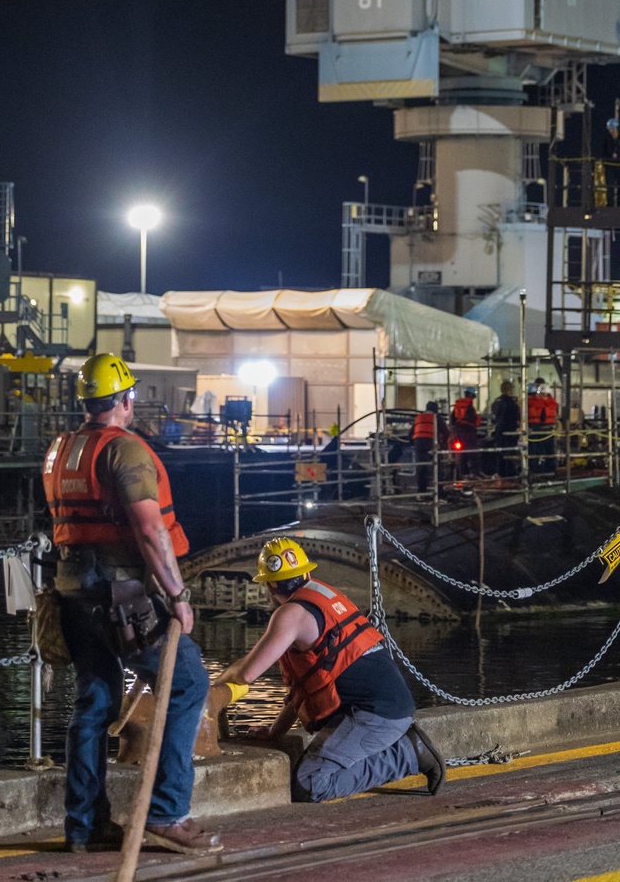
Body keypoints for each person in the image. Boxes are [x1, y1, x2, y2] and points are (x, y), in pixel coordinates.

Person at [42, 353, 222, 856]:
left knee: (94, 703)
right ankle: (167, 814)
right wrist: (178, 596)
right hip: (125, 597)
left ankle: (84, 825)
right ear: (126, 400)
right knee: (187, 685)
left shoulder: (62, 449)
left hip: (74, 593)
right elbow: (149, 529)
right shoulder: (125, 451)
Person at [214, 538, 444, 802]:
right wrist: (275, 733)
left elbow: (247, 673)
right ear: (307, 573)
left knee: (309, 784)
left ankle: (407, 755)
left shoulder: (290, 614)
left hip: (375, 715)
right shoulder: (324, 597)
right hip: (389, 708)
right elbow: (305, 685)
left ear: (268, 586)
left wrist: (217, 685)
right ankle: (402, 745)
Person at [489, 380, 520, 477]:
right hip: (509, 431)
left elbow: (494, 417)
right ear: (509, 390)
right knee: (510, 453)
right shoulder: (511, 403)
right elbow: (515, 417)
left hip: (499, 431)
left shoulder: (496, 402)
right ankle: (510, 475)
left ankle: (500, 473)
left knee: (500, 453)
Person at [527, 378, 559, 475]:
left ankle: (550, 470)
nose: (543, 395)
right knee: (535, 451)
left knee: (548, 451)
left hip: (546, 430)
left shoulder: (551, 403)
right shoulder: (532, 402)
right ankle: (534, 470)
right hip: (536, 429)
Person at [450, 386, 481, 477]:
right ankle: (474, 474)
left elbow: (452, 420)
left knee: (462, 454)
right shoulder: (470, 407)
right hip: (469, 433)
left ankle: (464, 474)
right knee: (473, 453)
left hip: (459, 432)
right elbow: (474, 420)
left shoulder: (457, 406)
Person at [601, 118, 620, 206]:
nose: (611, 131)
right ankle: (610, 204)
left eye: (613, 128)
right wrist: (609, 159)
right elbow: (603, 153)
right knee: (610, 186)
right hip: (610, 167)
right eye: (610, 129)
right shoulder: (606, 140)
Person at [411, 401, 438, 493]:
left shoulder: (419, 417)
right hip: (430, 442)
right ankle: (439, 492)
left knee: (421, 466)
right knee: (436, 466)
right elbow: (445, 431)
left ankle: (421, 492)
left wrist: (412, 443)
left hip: (418, 442)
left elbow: (411, 433)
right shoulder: (435, 417)